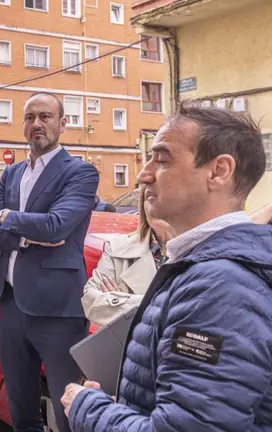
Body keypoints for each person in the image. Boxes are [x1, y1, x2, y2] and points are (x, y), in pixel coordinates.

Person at [63, 105, 272, 431]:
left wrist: (87, 409)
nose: (144, 175)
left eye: (162, 160)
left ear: (218, 171)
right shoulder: (201, 268)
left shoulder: (218, 289)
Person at [0, 92, 99, 432]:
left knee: (68, 410)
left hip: (58, 311)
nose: (37, 124)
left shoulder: (81, 173)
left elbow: (58, 225)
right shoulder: (11, 174)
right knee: (21, 409)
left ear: (62, 123)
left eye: (45, 117)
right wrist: (26, 232)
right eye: (30, 117)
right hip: (11, 306)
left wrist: (7, 217)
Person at [82, 188, 171, 326]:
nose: (156, 205)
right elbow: (91, 301)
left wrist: (119, 302)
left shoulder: (206, 250)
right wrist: (166, 306)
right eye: (150, 197)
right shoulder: (118, 247)